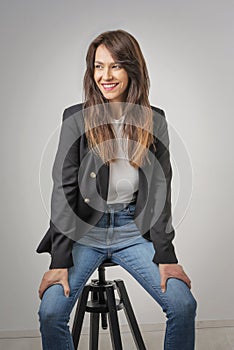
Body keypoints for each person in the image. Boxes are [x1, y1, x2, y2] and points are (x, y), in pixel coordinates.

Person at [36, 29, 197, 350]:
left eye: (115, 66)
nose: (105, 76)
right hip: (83, 232)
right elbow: (63, 191)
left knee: (183, 305)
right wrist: (58, 261)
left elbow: (159, 195)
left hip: (132, 231)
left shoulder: (154, 119)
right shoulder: (76, 117)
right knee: (50, 312)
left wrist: (167, 256)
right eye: (98, 66)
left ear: (132, 69)